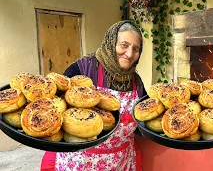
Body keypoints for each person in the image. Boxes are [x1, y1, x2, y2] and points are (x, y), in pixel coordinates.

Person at [41, 20, 147, 171]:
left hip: (120, 163)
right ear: (111, 43)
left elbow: (143, 121)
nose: (130, 54)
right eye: (124, 45)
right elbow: (54, 106)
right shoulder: (83, 69)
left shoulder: (136, 82)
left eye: (135, 49)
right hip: (80, 162)